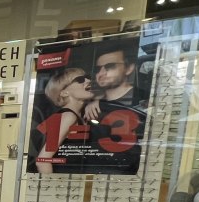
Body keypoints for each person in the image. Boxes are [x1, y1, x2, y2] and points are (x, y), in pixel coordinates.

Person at [85, 40, 146, 175]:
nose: (101, 73)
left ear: (129, 68)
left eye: (110, 66)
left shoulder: (143, 99)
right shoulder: (91, 105)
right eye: (98, 69)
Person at [31, 68, 95, 174]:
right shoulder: (67, 117)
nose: (88, 81)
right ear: (64, 92)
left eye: (88, 78)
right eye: (80, 80)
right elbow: (43, 161)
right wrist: (51, 187)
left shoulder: (77, 115)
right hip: (62, 182)